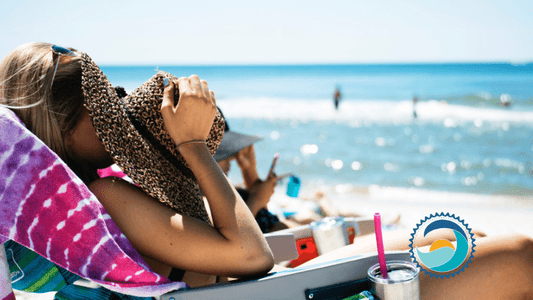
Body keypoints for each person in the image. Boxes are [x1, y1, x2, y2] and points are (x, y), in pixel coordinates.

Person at [1, 43, 532, 299]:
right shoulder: (102, 197)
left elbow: (210, 261)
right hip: (266, 292)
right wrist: (190, 144)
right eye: (100, 100)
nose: (114, 105)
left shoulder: (64, 223)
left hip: (253, 289)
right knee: (521, 257)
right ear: (60, 124)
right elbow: (249, 257)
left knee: (455, 237)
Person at [213, 109, 296, 233]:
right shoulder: (203, 204)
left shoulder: (224, 195)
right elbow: (234, 238)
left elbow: (262, 220)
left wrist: (249, 172)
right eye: (222, 152)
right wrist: (257, 199)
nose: (231, 157)